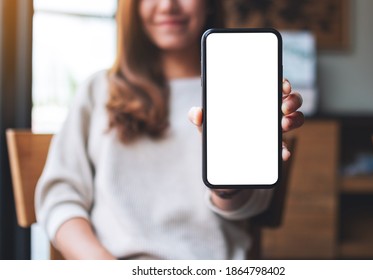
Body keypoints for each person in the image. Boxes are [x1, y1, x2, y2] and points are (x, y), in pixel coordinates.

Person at [35, 0, 304, 260]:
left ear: (209, 3)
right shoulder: (97, 91)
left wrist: (227, 187)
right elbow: (60, 197)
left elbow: (251, 206)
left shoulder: (241, 88)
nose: (167, 5)